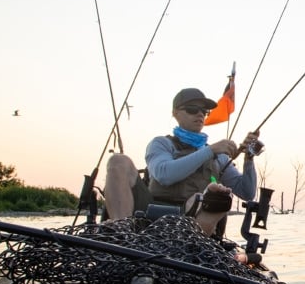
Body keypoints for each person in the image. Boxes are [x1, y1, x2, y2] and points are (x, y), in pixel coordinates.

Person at [103, 87, 263, 235]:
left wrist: (248, 159)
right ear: (175, 113)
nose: (200, 114)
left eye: (204, 111)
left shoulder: (218, 156)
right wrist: (209, 150)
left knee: (215, 195)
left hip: (195, 220)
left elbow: (247, 192)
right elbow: (164, 175)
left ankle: (193, 244)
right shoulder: (161, 144)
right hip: (149, 210)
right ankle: (121, 231)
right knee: (118, 161)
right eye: (192, 109)